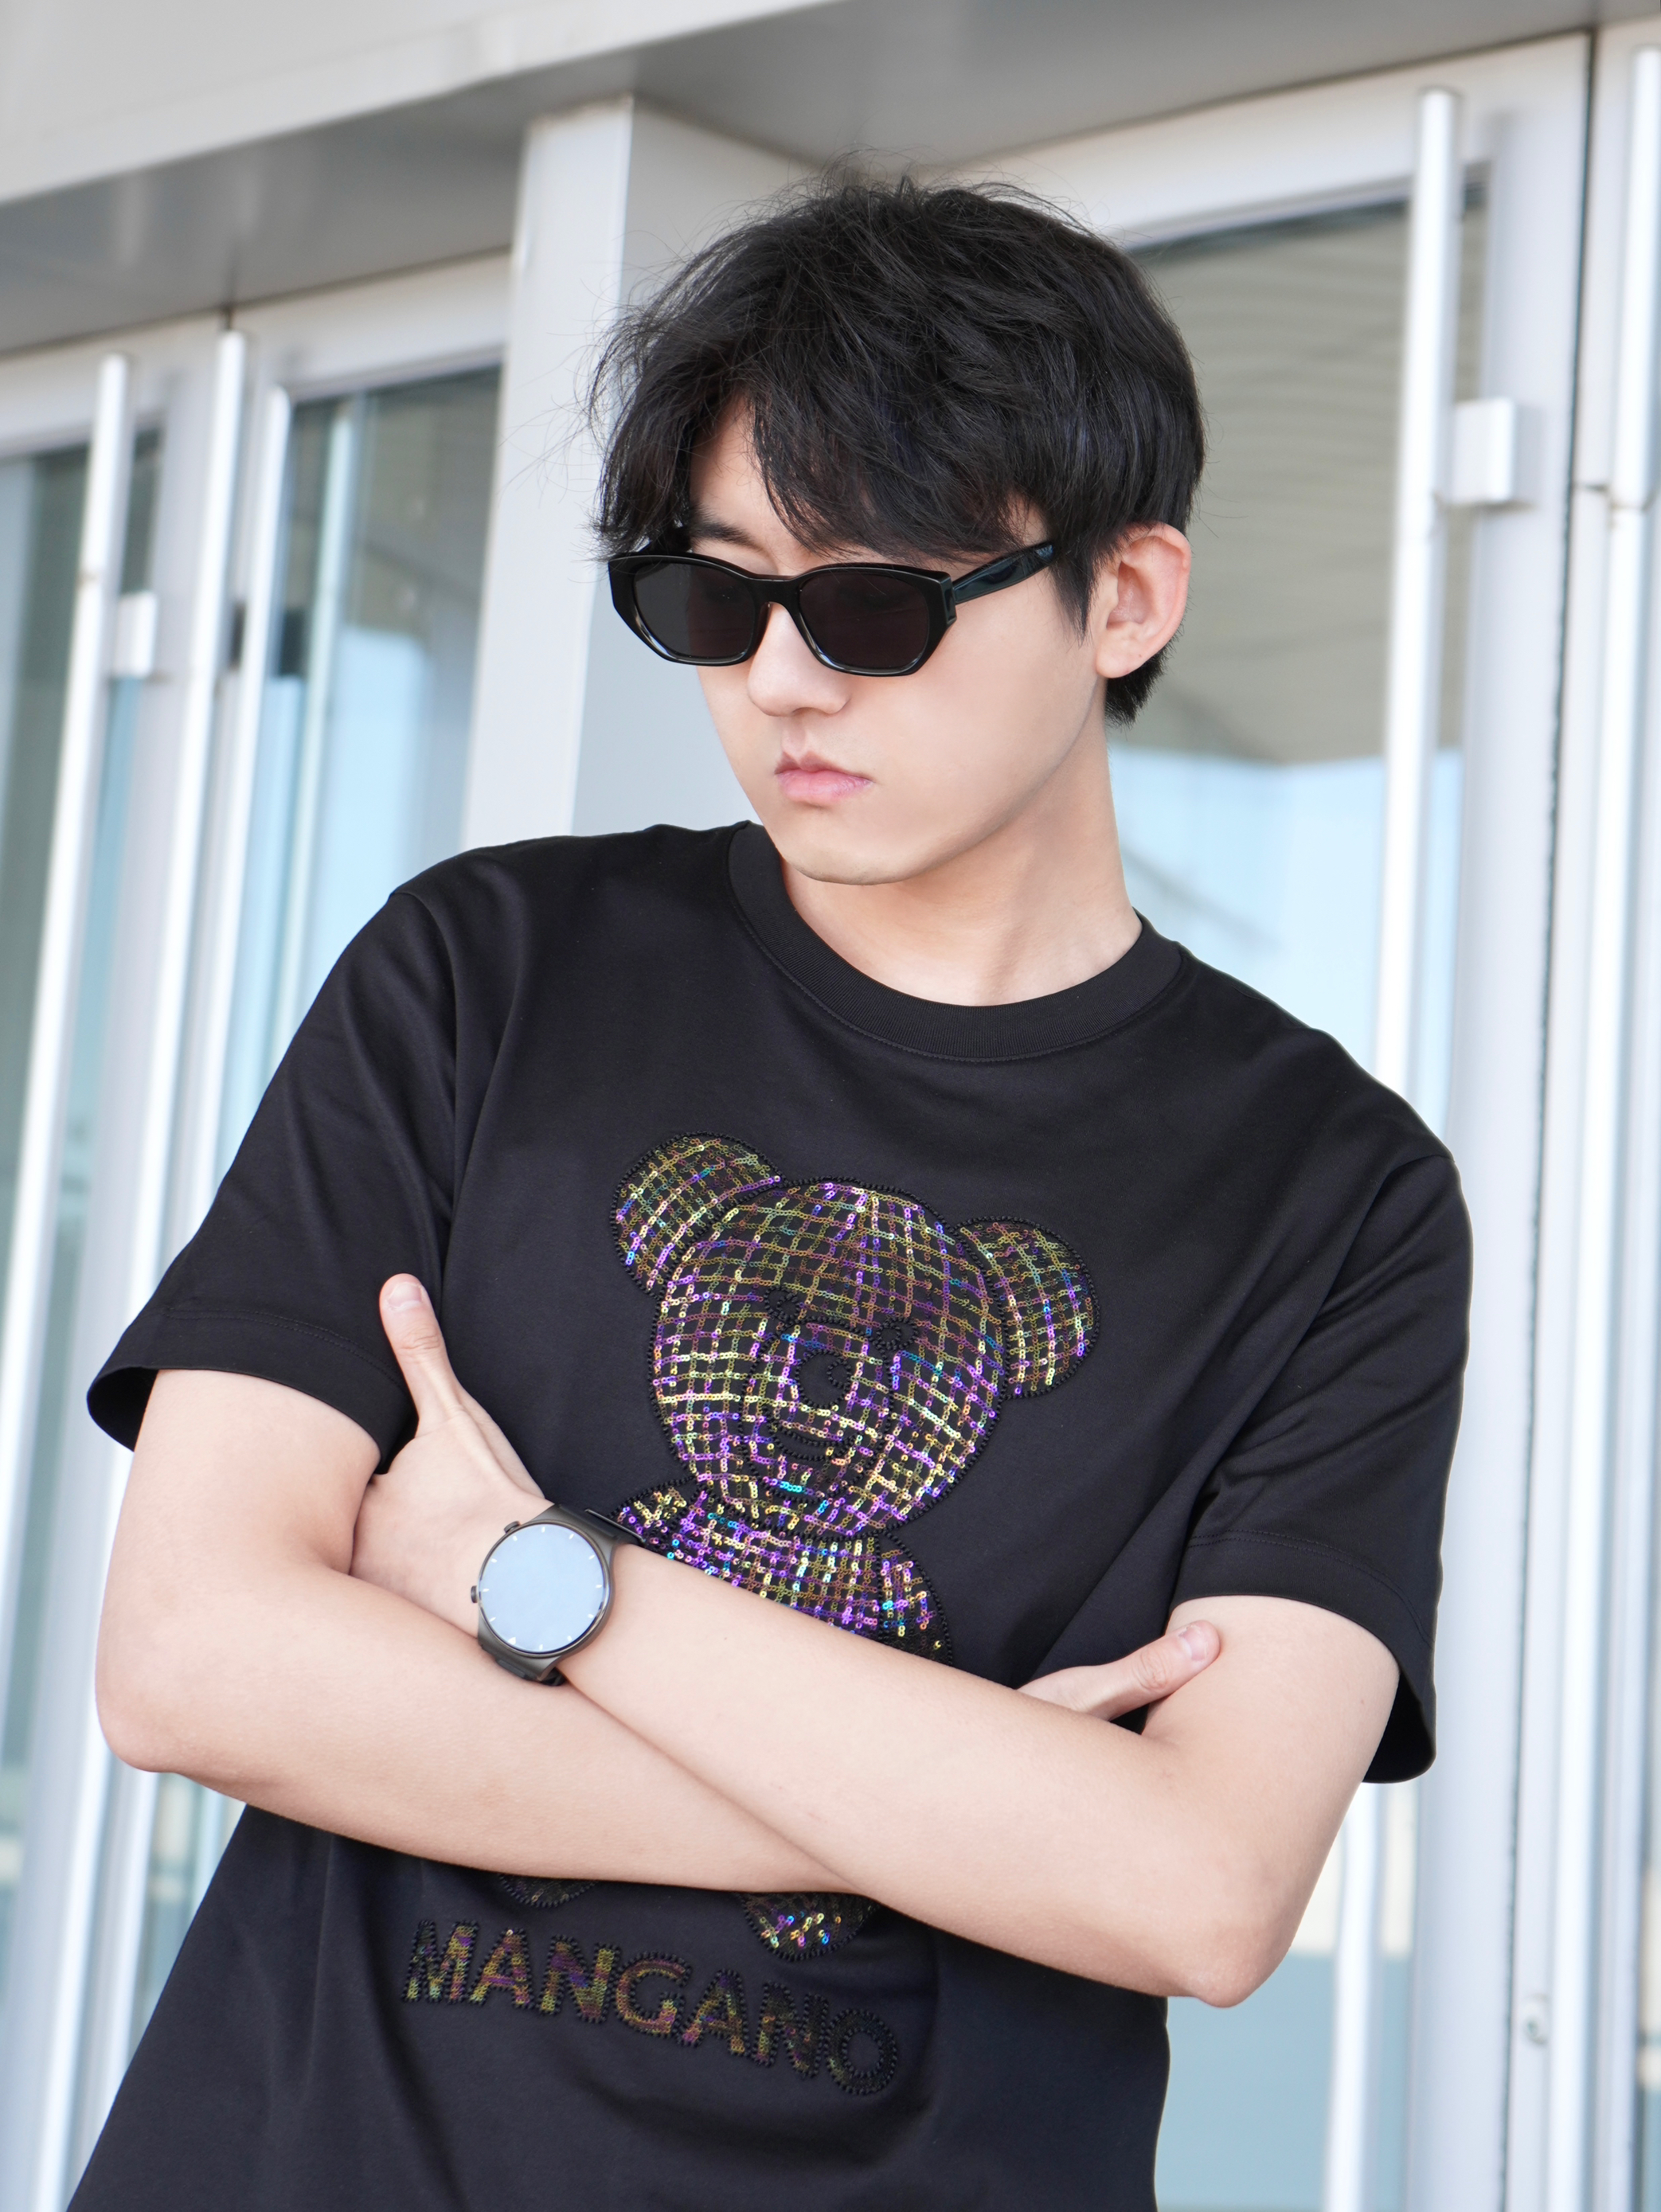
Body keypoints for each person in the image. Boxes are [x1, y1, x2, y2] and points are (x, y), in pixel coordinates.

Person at [76, 177, 1468, 2210]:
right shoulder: (489, 974)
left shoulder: (1330, 1194)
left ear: (1123, 598)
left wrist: (542, 1582)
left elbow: (1197, 1889)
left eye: (875, 608)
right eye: (712, 602)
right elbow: (191, 1659)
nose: (785, 683)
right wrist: (985, 1805)